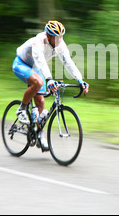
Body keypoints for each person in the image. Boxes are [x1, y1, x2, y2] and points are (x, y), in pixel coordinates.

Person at [12, 20, 89, 149]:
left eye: (61, 37)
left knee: (41, 102)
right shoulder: (39, 41)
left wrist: (80, 80)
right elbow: (41, 62)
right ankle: (22, 109)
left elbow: (68, 62)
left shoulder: (60, 44)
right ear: (48, 36)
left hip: (35, 67)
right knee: (39, 82)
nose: (59, 40)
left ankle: (39, 137)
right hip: (21, 63)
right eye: (56, 37)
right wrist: (49, 79)